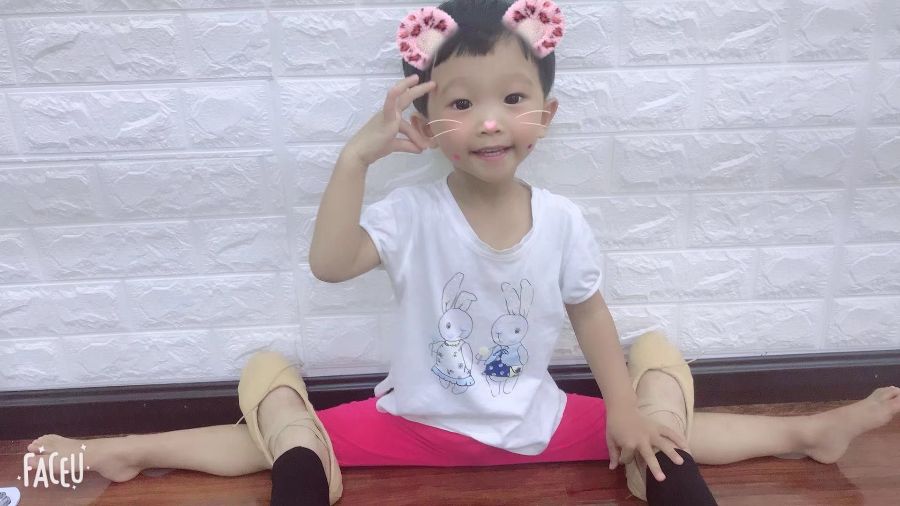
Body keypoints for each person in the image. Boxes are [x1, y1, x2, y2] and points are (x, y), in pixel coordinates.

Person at [25, 1, 900, 505]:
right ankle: (115, 452)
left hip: (533, 424)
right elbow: (329, 263)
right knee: (271, 445)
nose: (488, 122)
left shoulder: (562, 219)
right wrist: (355, 157)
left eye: (512, 99)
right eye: (461, 104)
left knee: (665, 436)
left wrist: (624, 410)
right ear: (428, 120)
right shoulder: (411, 213)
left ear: (545, 116)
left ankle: (808, 432)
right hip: (415, 421)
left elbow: (592, 314)